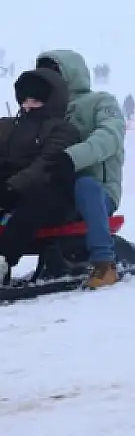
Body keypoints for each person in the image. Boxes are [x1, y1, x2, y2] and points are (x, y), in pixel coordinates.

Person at [34, 51, 126, 289]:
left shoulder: (100, 102)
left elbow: (110, 136)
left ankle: (104, 263)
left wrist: (71, 158)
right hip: (59, 191)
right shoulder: (46, 111)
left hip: (98, 191)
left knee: (85, 186)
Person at [0, 66, 80, 285]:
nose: (28, 106)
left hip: (50, 196)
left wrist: (12, 187)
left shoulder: (63, 130)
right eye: (25, 100)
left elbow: (45, 164)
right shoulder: (9, 126)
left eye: (35, 101)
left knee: (38, 196)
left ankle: (3, 259)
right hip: (13, 189)